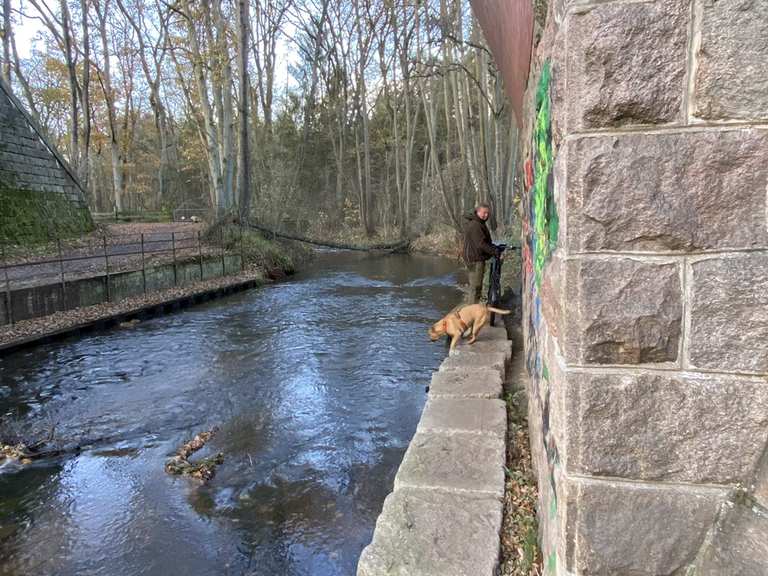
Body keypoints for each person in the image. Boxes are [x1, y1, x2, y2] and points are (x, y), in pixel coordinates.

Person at [462, 202, 501, 304]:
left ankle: (471, 309)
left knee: (474, 286)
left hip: (472, 258)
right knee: (476, 287)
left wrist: (493, 247)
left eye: (487, 213)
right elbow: (481, 244)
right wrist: (494, 251)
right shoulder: (476, 225)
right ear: (478, 212)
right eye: (484, 213)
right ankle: (471, 312)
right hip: (475, 259)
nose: (486, 215)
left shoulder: (477, 223)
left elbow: (482, 242)